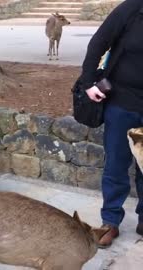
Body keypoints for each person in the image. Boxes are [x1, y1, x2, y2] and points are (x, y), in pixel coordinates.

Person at [80, 0, 143, 248]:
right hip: (122, 102)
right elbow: (98, 42)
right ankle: (110, 221)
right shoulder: (131, 9)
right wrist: (88, 83)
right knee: (116, 164)